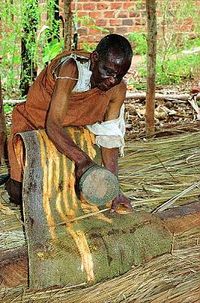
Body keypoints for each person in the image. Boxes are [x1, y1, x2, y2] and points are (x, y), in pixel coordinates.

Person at [5, 33, 133, 212]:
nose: (112, 80)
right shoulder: (71, 69)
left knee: (73, 193)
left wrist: (114, 189)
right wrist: (82, 160)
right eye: (108, 72)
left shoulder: (117, 89)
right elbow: (53, 124)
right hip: (36, 124)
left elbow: (109, 136)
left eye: (119, 75)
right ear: (94, 58)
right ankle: (10, 183)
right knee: (22, 196)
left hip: (74, 134)